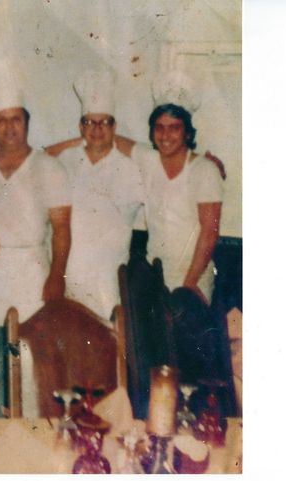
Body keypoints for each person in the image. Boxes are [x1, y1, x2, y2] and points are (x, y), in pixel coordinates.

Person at [0, 59, 72, 417]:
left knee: (33, 370)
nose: (9, 127)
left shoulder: (48, 168)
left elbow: (62, 229)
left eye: (16, 119)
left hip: (32, 281)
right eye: (1, 120)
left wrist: (57, 276)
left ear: (26, 122)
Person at [115, 71, 223, 303]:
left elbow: (209, 232)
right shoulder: (148, 159)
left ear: (187, 133)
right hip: (155, 274)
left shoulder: (205, 170)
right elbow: (108, 139)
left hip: (193, 277)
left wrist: (190, 284)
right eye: (159, 127)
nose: (165, 135)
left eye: (174, 127)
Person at [48, 70, 143, 320]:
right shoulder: (66, 161)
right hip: (67, 273)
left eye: (104, 122)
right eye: (90, 122)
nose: (97, 129)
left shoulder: (131, 168)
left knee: (107, 348)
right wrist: (75, 143)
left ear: (114, 127)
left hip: (106, 280)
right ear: (80, 126)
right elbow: (35, 160)